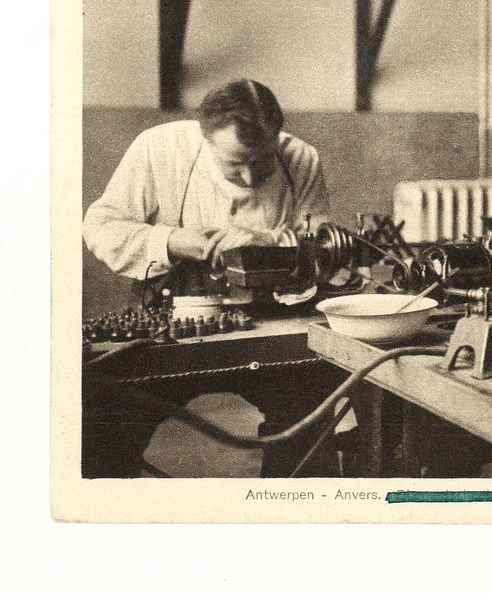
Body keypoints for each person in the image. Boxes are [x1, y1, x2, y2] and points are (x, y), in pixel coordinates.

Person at [82, 79, 342, 478]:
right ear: (205, 139)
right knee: (105, 423)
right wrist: (173, 240)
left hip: (268, 321)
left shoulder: (301, 158)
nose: (250, 178)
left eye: (262, 161)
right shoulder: (159, 148)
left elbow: (321, 247)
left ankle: (295, 508)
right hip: (170, 321)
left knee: (311, 417)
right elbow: (100, 226)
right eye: (235, 163)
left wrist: (264, 242)